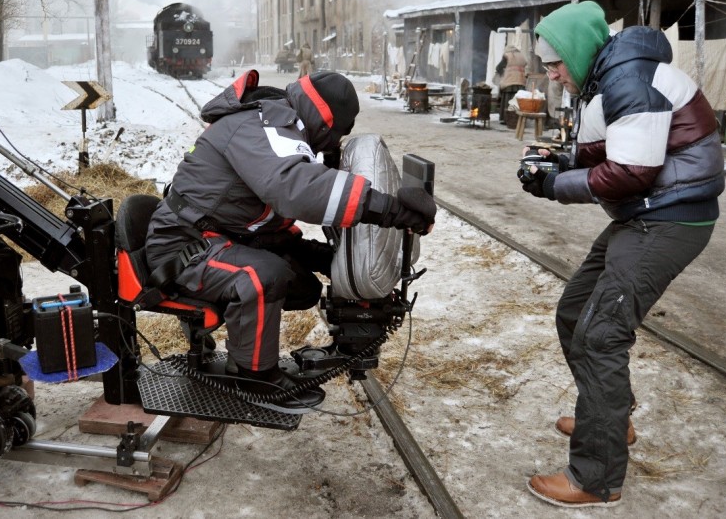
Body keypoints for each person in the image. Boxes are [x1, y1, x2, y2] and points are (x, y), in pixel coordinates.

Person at [519, 0, 724, 507]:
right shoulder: (613, 77)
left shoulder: (627, 79)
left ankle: (595, 478)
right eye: (546, 63)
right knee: (576, 311)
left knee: (601, 334)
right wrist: (557, 160)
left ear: (580, 51)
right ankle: (611, 417)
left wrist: (553, 185)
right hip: (648, 213)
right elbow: (609, 148)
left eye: (556, 61)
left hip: (668, 218)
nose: (552, 73)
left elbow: (632, 170)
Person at [145, 70, 436, 410]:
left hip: (220, 235)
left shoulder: (278, 123)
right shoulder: (259, 124)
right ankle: (254, 376)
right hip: (183, 245)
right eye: (335, 136)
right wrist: (389, 209)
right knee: (262, 276)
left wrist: (328, 259)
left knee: (302, 286)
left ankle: (249, 351)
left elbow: (269, 228)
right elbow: (295, 188)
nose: (331, 147)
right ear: (326, 122)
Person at [495, 43, 527, 123]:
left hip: (509, 81)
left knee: (507, 101)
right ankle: (517, 119)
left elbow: (499, 67)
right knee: (517, 101)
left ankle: (506, 119)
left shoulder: (507, 55)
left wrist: (501, 73)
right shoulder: (522, 56)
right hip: (521, 81)